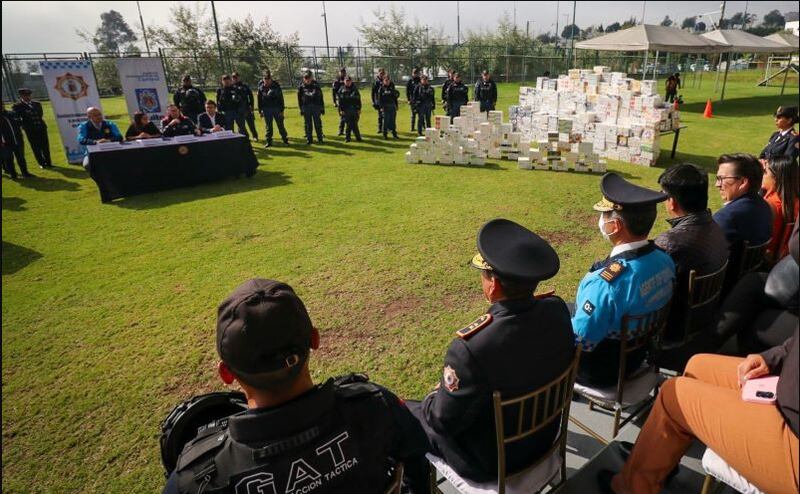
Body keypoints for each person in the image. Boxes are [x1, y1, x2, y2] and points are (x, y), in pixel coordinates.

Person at [162, 279, 431, 494]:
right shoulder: (375, 406)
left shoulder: (197, 477)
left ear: (227, 373)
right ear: (314, 339)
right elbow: (418, 466)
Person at [407, 218, 575, 483]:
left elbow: (442, 422)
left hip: (492, 462)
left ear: (494, 286)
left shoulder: (471, 347)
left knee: (405, 413)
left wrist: (431, 399)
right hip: (545, 438)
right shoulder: (557, 310)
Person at [599, 327, 799, 494]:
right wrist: (774, 357)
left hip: (793, 432)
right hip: (788, 389)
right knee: (698, 366)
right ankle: (655, 464)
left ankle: (631, 487)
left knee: (673, 395)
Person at [572, 173, 675, 387]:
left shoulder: (605, 283)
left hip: (600, 370)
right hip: (639, 356)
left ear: (615, 225)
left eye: (604, 215)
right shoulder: (665, 260)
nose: (601, 221)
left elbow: (581, 341)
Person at [655, 164, 728, 344]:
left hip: (673, 329)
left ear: (671, 202)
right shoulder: (715, 227)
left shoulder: (671, 242)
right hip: (704, 319)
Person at [712, 153, 773, 283]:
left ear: (743, 182)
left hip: (727, 286)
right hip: (751, 277)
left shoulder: (726, 218)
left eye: (721, 178)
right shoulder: (765, 206)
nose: (717, 184)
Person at [763, 156, 800, 260]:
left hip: (767, 259)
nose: (762, 175)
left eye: (765, 172)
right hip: (787, 258)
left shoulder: (770, 205)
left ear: (776, 178)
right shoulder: (795, 201)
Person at [12, 87, 52, 169]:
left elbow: (40, 115)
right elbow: (17, 118)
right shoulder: (17, 106)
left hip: (41, 127)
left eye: (28, 95)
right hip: (30, 130)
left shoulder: (37, 104)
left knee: (45, 146)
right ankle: (41, 163)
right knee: (35, 146)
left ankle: (48, 162)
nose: (27, 97)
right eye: (25, 95)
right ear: (21, 96)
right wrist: (24, 125)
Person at [257, 71, 289, 148]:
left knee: (280, 125)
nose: (267, 81)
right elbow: (259, 100)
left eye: (268, 79)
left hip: (276, 108)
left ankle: (285, 140)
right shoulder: (261, 88)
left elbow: (281, 99)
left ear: (271, 79)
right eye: (265, 79)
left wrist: (282, 110)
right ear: (263, 79)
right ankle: (269, 141)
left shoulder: (276, 87)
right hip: (266, 109)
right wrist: (260, 110)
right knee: (268, 126)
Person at [0, 101, 32, 179]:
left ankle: (25, 173)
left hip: (17, 140)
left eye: (2, 104)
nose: (2, 106)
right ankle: (13, 175)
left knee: (21, 157)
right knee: (9, 159)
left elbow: (20, 124)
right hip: (5, 143)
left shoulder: (12, 113)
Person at [297, 71, 325, 145]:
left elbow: (321, 97)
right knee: (308, 124)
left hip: (316, 107)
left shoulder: (316, 85)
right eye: (306, 78)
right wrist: (301, 109)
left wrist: (322, 108)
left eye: (308, 78)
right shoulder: (301, 87)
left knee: (317, 124)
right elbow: (299, 99)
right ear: (304, 79)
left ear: (311, 78)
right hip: (306, 107)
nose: (307, 80)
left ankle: (320, 138)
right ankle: (309, 140)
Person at [232, 72, 258, 141]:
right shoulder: (232, 87)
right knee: (241, 125)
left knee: (251, 123)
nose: (235, 78)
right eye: (234, 77)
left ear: (239, 77)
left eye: (236, 77)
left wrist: (251, 106)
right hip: (237, 109)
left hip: (246, 107)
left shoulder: (245, 86)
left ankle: (255, 136)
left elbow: (250, 96)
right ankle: (244, 137)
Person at [337, 76, 362, 142]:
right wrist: (341, 110)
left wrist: (359, 109)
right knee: (348, 124)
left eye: (349, 81)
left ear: (351, 81)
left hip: (354, 109)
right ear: (344, 81)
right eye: (346, 81)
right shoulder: (341, 89)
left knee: (354, 124)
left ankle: (358, 137)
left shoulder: (355, 89)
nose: (348, 82)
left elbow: (358, 100)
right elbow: (340, 101)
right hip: (346, 109)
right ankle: (348, 138)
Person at [377, 75, 399, 139]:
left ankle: (394, 134)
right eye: (385, 80)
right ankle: (385, 135)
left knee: (393, 121)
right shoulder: (381, 89)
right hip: (385, 107)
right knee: (385, 121)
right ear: (383, 81)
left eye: (388, 80)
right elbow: (379, 99)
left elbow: (395, 98)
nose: (387, 82)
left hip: (392, 106)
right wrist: (381, 107)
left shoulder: (392, 88)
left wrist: (396, 106)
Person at [371, 68, 388, 134]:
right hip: (379, 101)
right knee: (380, 115)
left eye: (383, 73)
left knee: (387, 115)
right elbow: (373, 92)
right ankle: (380, 128)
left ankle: (387, 128)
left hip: (386, 100)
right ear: (378, 74)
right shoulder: (376, 81)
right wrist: (373, 101)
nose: (382, 75)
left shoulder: (386, 80)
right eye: (381, 73)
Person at [332, 67, 347, 136]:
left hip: (348, 100)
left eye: (344, 72)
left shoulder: (347, 80)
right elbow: (334, 92)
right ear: (339, 73)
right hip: (340, 100)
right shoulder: (336, 81)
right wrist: (334, 102)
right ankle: (341, 130)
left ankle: (350, 130)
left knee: (350, 116)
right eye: (341, 72)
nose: (343, 73)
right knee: (342, 116)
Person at [406, 67, 421, 132]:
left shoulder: (420, 80)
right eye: (414, 73)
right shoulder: (410, 81)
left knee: (420, 114)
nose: (415, 74)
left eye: (417, 73)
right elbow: (407, 91)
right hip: (412, 99)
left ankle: (421, 127)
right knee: (413, 114)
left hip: (420, 100)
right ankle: (412, 127)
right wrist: (408, 99)